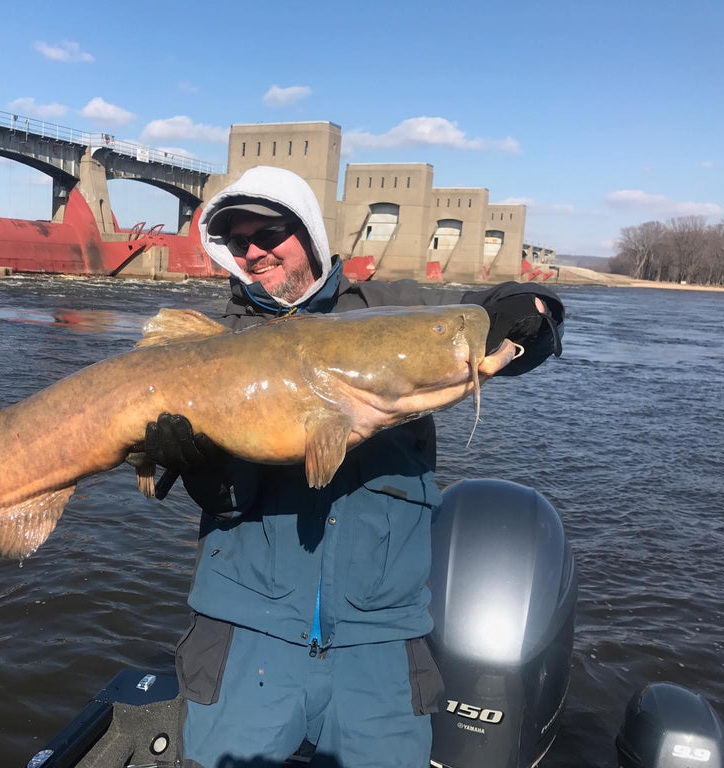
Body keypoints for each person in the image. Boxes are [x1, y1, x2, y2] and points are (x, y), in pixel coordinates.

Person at [142, 166, 564, 768]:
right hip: (243, 630)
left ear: (310, 234)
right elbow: (222, 504)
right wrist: (199, 463)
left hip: (382, 638)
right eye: (239, 242)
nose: (254, 252)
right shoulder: (210, 345)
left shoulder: (390, 308)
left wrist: (532, 313)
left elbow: (483, 316)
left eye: (270, 232)